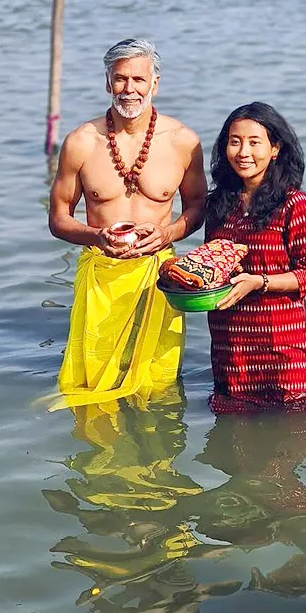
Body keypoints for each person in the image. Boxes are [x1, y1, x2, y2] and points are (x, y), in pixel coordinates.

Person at [47, 39, 207, 408]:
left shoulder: (183, 141)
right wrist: (95, 236)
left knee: (158, 388)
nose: (129, 89)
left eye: (139, 79)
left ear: (155, 83)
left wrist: (168, 233)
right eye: (120, 79)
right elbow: (58, 218)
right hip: (101, 277)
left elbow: (198, 207)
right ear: (107, 82)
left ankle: (156, 458)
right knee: (94, 387)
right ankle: (100, 461)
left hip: (159, 276)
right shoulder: (81, 142)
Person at [203, 102, 306, 414]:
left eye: (254, 142)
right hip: (230, 351)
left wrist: (259, 282)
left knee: (288, 445)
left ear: (275, 149)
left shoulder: (296, 206)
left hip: (282, 352)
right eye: (235, 141)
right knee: (232, 452)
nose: (243, 152)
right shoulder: (218, 204)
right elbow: (213, 264)